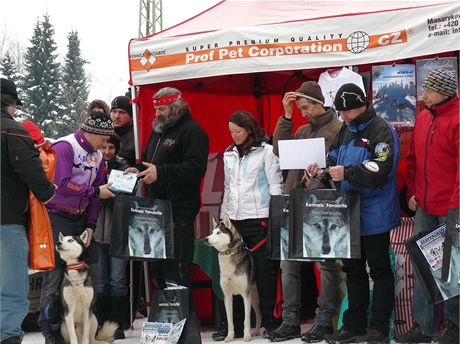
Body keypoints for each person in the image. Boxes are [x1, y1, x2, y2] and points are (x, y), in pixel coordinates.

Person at [307, 83, 400, 344]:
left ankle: (378, 328)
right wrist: (321, 168)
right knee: (353, 270)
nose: (342, 117)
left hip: (375, 212)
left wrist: (347, 172)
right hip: (347, 211)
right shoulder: (346, 130)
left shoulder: (382, 130)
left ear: (357, 106)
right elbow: (334, 157)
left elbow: (381, 167)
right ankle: (353, 326)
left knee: (380, 270)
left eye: (344, 112)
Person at [126, 87, 209, 344]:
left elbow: (196, 168)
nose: (157, 113)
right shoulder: (158, 131)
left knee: (179, 271)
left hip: (179, 209)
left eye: (162, 109)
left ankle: (186, 332)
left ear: (177, 107)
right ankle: (166, 332)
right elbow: (154, 163)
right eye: (156, 109)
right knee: (160, 273)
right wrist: (137, 169)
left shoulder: (193, 132)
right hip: (156, 210)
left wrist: (161, 173)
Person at [270, 81, 342, 342]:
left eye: (305, 108)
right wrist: (285, 116)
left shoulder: (337, 128)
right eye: (299, 109)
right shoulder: (300, 130)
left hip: (322, 204)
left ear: (318, 103)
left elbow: (339, 164)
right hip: (294, 199)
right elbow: (278, 150)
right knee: (288, 264)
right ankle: (290, 320)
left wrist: (320, 175)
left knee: (325, 264)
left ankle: (325, 320)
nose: (303, 113)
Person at [38, 112, 116, 344]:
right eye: (103, 139)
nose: (105, 144)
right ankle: (50, 332)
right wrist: (93, 192)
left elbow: (98, 193)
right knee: (54, 275)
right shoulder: (65, 147)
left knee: (87, 273)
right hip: (57, 214)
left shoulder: (98, 156)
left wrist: (91, 225)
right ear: (91, 132)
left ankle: (82, 331)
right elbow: (61, 183)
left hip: (80, 219)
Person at [396, 68, 459, 344]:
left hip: (451, 207)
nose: (423, 95)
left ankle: (454, 326)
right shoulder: (422, 118)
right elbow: (413, 161)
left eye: (429, 90)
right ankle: (425, 325)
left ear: (444, 91)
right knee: (423, 266)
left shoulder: (457, 120)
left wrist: (455, 207)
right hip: (424, 206)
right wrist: (412, 193)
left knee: (452, 268)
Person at [212, 110, 284, 341]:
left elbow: (275, 184)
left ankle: (271, 322)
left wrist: (275, 217)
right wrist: (225, 218)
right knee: (229, 272)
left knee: (264, 271)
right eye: (231, 131)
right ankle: (231, 324)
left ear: (249, 129)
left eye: (238, 131)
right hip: (234, 220)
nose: (234, 135)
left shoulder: (267, 151)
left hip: (259, 217)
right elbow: (228, 187)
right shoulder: (228, 154)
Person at [1, 78, 56, 344]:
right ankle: (7, 337)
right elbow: (34, 174)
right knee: (10, 288)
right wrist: (49, 192)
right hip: (7, 222)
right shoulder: (13, 131)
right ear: (9, 103)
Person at [93, 135, 130, 340]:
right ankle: (100, 324)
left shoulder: (124, 167)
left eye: (111, 147)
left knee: (118, 280)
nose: (107, 151)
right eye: (104, 147)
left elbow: (130, 195)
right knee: (101, 281)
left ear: (117, 149)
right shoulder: (91, 165)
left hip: (118, 232)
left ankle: (118, 324)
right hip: (97, 231)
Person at [110, 95, 135, 165]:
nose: (117, 116)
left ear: (131, 116)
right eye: (114, 111)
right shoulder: (105, 134)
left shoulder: (137, 136)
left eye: (122, 112)